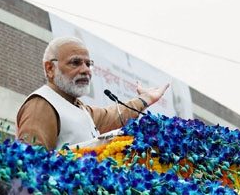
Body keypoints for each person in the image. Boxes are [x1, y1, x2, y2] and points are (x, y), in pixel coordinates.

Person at [16, 36, 170, 150]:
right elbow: (30, 167)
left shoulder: (79, 108)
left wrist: (145, 98)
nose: (85, 70)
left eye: (88, 64)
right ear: (50, 68)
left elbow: (114, 115)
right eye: (75, 62)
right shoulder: (42, 105)